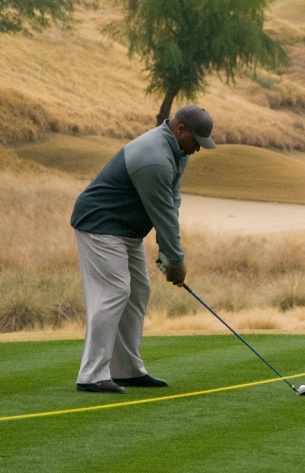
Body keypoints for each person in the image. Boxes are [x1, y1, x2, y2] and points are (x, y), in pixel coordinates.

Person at [71, 104, 216, 394]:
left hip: (126, 230)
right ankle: (91, 374)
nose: (197, 149)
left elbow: (171, 200)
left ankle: (125, 370)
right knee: (114, 291)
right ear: (180, 130)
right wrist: (175, 262)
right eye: (195, 142)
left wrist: (166, 247)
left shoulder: (178, 151)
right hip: (100, 224)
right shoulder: (154, 158)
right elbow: (161, 212)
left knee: (138, 290)